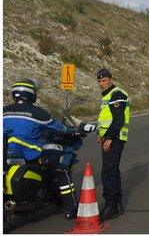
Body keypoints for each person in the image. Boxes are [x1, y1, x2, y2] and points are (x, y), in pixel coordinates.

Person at [3, 78, 79, 220]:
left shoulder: (4, 111)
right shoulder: (36, 113)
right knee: (61, 170)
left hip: (6, 154)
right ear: (31, 94)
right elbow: (57, 127)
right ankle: (71, 208)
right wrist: (71, 131)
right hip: (28, 154)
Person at [95, 68, 130, 221]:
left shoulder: (117, 94)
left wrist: (108, 138)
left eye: (103, 80)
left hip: (115, 139)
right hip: (109, 138)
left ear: (110, 79)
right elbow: (105, 119)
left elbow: (118, 120)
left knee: (109, 172)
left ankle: (112, 205)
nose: (101, 83)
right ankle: (115, 204)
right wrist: (100, 135)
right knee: (111, 171)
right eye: (99, 81)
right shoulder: (107, 96)